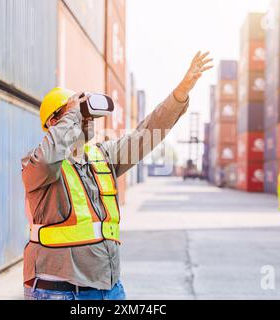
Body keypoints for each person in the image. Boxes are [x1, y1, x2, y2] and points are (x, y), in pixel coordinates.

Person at [21, 51, 213, 300]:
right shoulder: (35, 164)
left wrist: (179, 94)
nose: (86, 120)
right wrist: (73, 112)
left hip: (109, 288)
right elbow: (49, 159)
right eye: (78, 114)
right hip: (61, 292)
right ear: (56, 121)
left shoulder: (102, 156)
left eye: (85, 114)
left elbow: (146, 133)